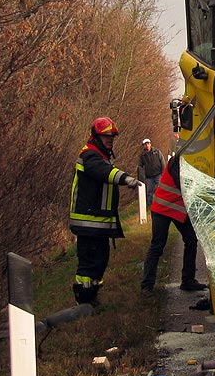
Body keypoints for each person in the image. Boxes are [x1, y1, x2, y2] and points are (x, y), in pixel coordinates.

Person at [68, 117, 141, 305]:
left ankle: (92, 295)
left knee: (100, 259)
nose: (110, 139)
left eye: (112, 137)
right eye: (106, 136)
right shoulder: (90, 155)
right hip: (87, 221)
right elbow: (103, 172)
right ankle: (83, 300)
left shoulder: (100, 155)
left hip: (96, 221)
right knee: (88, 263)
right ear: (96, 136)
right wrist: (126, 179)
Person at [140, 155, 207, 293]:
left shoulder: (186, 159)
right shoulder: (177, 161)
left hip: (176, 209)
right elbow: (184, 185)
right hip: (163, 208)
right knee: (158, 245)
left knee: (191, 240)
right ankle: (147, 286)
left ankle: (188, 280)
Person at [136, 138, 165, 209]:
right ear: (143, 146)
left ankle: (161, 204)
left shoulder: (157, 152)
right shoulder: (142, 156)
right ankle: (150, 207)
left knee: (160, 190)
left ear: (150, 144)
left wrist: (163, 173)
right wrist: (142, 177)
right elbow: (140, 166)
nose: (147, 145)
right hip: (149, 177)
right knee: (149, 192)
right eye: (145, 144)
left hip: (158, 174)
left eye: (148, 143)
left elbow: (162, 162)